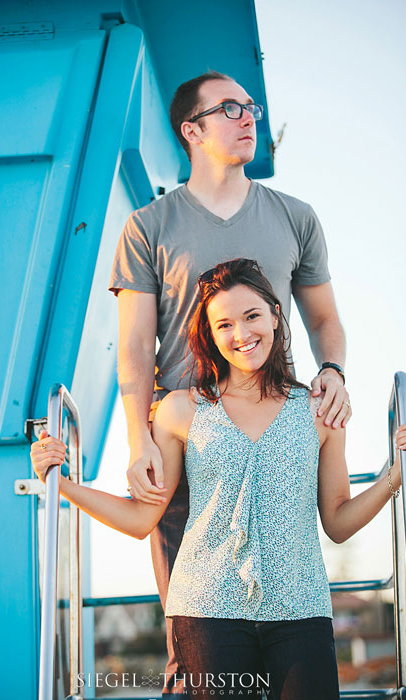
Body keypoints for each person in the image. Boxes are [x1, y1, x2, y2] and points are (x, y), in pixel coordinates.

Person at [32, 259, 406, 699]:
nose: (242, 335)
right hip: (206, 612)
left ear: (274, 315)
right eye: (224, 324)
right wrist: (60, 482)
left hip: (301, 609)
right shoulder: (179, 410)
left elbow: (339, 523)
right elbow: (140, 520)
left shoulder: (320, 410)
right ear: (210, 335)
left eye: (251, 316)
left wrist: (394, 475)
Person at [109, 70, 350, 696]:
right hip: (187, 444)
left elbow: (325, 323)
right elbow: (135, 348)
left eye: (252, 106)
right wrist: (138, 439)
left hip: (277, 439)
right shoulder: (148, 227)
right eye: (230, 108)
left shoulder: (296, 217)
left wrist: (334, 373)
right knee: (193, 644)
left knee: (293, 628)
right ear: (192, 130)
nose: (249, 116)